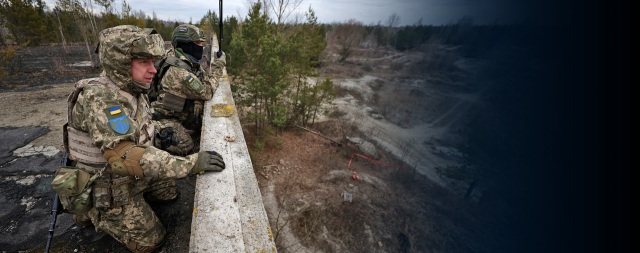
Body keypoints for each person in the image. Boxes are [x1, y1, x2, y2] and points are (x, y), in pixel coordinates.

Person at [62, 25, 225, 253]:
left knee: (170, 194)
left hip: (133, 176)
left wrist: (159, 132)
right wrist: (190, 164)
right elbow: (124, 156)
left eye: (152, 62)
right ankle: (93, 212)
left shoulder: (132, 89)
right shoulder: (101, 100)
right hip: (109, 181)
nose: (153, 70)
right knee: (151, 242)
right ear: (120, 63)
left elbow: (139, 127)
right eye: (143, 63)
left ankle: (131, 198)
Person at [148, 24, 226, 155]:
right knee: (186, 144)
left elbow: (203, 79)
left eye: (201, 43)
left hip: (178, 112)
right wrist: (218, 66)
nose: (200, 46)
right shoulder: (179, 72)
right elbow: (207, 92)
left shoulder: (185, 61)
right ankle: (154, 137)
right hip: (164, 117)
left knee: (201, 124)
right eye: (196, 43)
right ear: (184, 44)